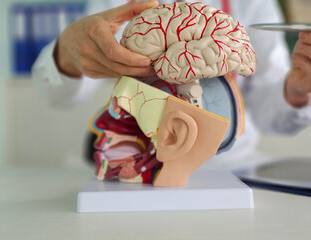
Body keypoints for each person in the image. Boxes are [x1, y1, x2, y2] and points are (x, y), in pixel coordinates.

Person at [32, 0, 311, 170]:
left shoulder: (252, 2)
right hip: (139, 167)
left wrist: (297, 90)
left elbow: (269, 113)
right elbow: (60, 96)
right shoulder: (114, 3)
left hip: (232, 165)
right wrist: (67, 54)